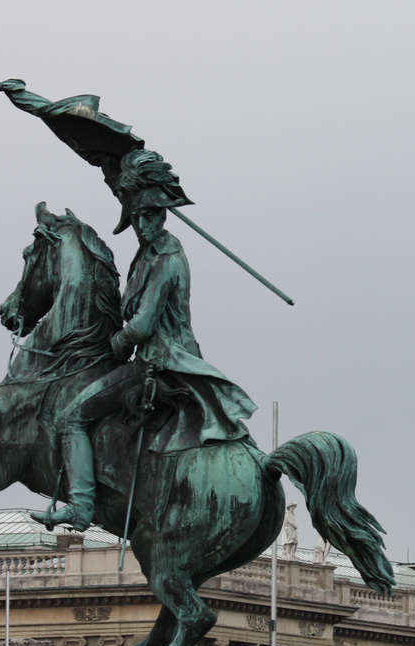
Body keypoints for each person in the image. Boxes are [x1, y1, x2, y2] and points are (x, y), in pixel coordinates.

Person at [33, 149, 255, 531]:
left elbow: (142, 325)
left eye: (149, 216)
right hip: (152, 357)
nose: (142, 224)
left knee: (71, 418)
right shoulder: (147, 253)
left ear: (163, 214)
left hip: (160, 361)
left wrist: (113, 343)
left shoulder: (166, 256)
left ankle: (81, 509)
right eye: (136, 217)